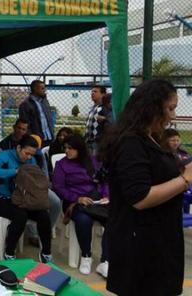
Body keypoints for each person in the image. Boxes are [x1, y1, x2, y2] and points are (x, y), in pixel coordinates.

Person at [99, 79, 192, 296]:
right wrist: (185, 179)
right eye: (170, 108)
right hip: (140, 245)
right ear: (152, 107)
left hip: (159, 238)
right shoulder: (131, 143)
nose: (173, 115)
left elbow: (158, 175)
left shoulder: (151, 138)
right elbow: (141, 198)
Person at [0, 135, 53, 263]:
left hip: (24, 200)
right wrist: (15, 171)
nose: (28, 157)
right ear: (18, 148)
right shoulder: (6, 156)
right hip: (3, 199)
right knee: (20, 216)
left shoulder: (31, 160)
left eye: (31, 155)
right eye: (26, 153)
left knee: (44, 215)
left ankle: (46, 253)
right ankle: (9, 252)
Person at [52, 134, 109, 277]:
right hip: (73, 202)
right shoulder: (62, 165)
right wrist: (78, 198)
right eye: (65, 148)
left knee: (114, 218)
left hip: (96, 201)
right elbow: (59, 188)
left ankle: (105, 261)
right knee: (84, 220)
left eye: (71, 148)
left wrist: (106, 196)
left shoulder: (93, 162)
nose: (67, 151)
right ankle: (86, 256)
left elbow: (104, 181)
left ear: (80, 149)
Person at [19, 80, 54, 146]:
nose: (44, 90)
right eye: (42, 88)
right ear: (35, 89)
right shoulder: (25, 104)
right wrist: (32, 138)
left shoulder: (45, 102)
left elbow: (49, 120)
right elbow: (24, 124)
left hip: (49, 138)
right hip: (36, 140)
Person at [84, 85, 108, 155]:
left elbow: (111, 120)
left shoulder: (105, 107)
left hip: (98, 143)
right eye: (92, 91)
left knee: (96, 163)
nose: (92, 93)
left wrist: (105, 119)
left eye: (95, 91)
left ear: (103, 94)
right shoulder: (92, 108)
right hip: (88, 142)